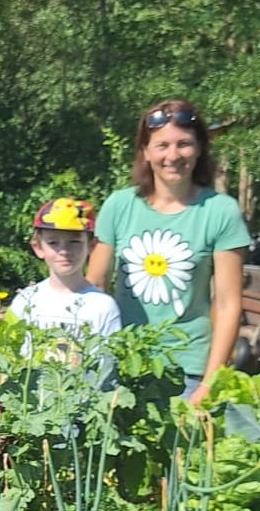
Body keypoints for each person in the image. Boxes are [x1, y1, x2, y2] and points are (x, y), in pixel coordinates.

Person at [87, 100, 250, 401]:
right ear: (145, 152)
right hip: (121, 362)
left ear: (199, 148)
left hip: (186, 372)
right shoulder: (118, 206)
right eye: (162, 145)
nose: (173, 155)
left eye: (184, 144)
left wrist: (210, 383)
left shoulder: (220, 211)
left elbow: (228, 304)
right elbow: (94, 286)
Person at [8, 198, 121, 339]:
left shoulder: (103, 306)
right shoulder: (25, 301)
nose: (64, 251)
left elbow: (106, 359)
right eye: (53, 242)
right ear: (38, 247)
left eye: (74, 242)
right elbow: (9, 353)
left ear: (91, 246)